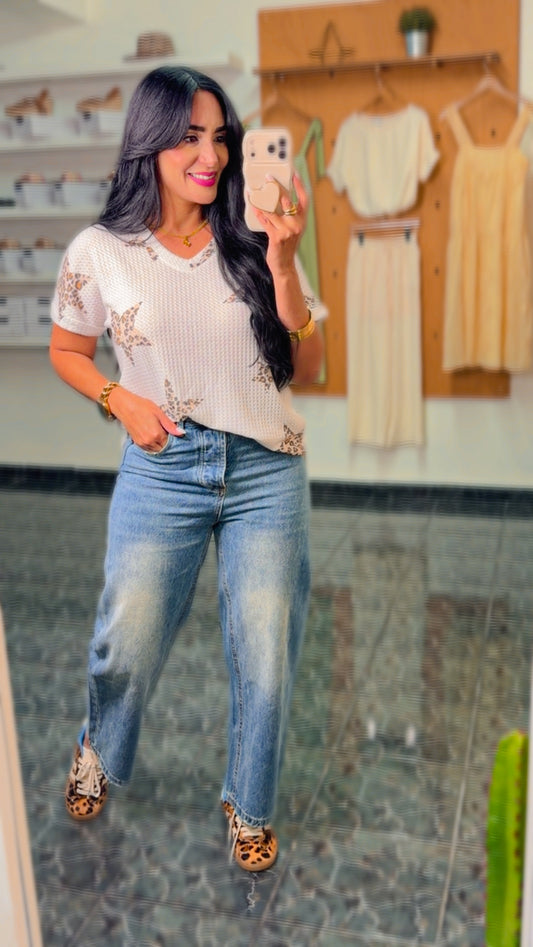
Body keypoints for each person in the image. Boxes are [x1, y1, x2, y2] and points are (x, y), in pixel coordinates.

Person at [49, 65, 325, 872]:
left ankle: (250, 803)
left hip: (264, 469)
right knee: (126, 639)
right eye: (189, 138)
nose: (211, 156)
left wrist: (284, 261)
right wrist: (118, 399)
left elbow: (309, 364)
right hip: (161, 463)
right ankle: (99, 747)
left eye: (219, 137)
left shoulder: (252, 232)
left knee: (264, 649)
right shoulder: (100, 251)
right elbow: (67, 349)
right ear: (149, 142)